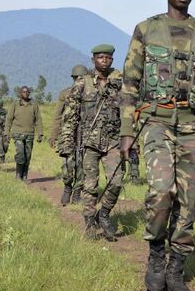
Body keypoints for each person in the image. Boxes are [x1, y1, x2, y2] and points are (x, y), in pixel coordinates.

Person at [119, 0, 195, 291]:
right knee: (161, 190)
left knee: (188, 200)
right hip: (155, 123)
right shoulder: (146, 29)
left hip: (192, 125)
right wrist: (127, 131)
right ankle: (155, 255)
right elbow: (129, 83)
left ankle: (176, 267)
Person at [59, 44, 124, 241]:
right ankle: (89, 224)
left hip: (113, 141)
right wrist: (67, 144)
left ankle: (103, 214)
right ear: (93, 60)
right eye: (100, 57)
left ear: (112, 60)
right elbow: (70, 115)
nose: (104, 60)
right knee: (90, 186)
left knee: (116, 181)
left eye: (108, 58)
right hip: (89, 143)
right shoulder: (82, 83)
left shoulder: (120, 83)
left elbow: (130, 110)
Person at [50, 64, 88, 206]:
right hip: (68, 133)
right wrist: (53, 135)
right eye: (77, 77)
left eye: (82, 77)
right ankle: (67, 187)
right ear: (73, 78)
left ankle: (78, 191)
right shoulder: (65, 93)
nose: (80, 80)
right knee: (67, 163)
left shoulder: (91, 94)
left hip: (85, 133)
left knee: (82, 164)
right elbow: (57, 116)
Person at [5, 86, 43, 181]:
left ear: (29, 93)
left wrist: (40, 134)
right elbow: (9, 119)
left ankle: (25, 175)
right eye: (23, 92)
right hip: (18, 134)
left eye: (27, 92)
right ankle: (18, 175)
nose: (25, 93)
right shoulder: (15, 104)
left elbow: (38, 120)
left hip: (29, 134)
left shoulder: (34, 105)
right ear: (20, 93)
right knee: (20, 154)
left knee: (28, 155)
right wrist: (7, 133)